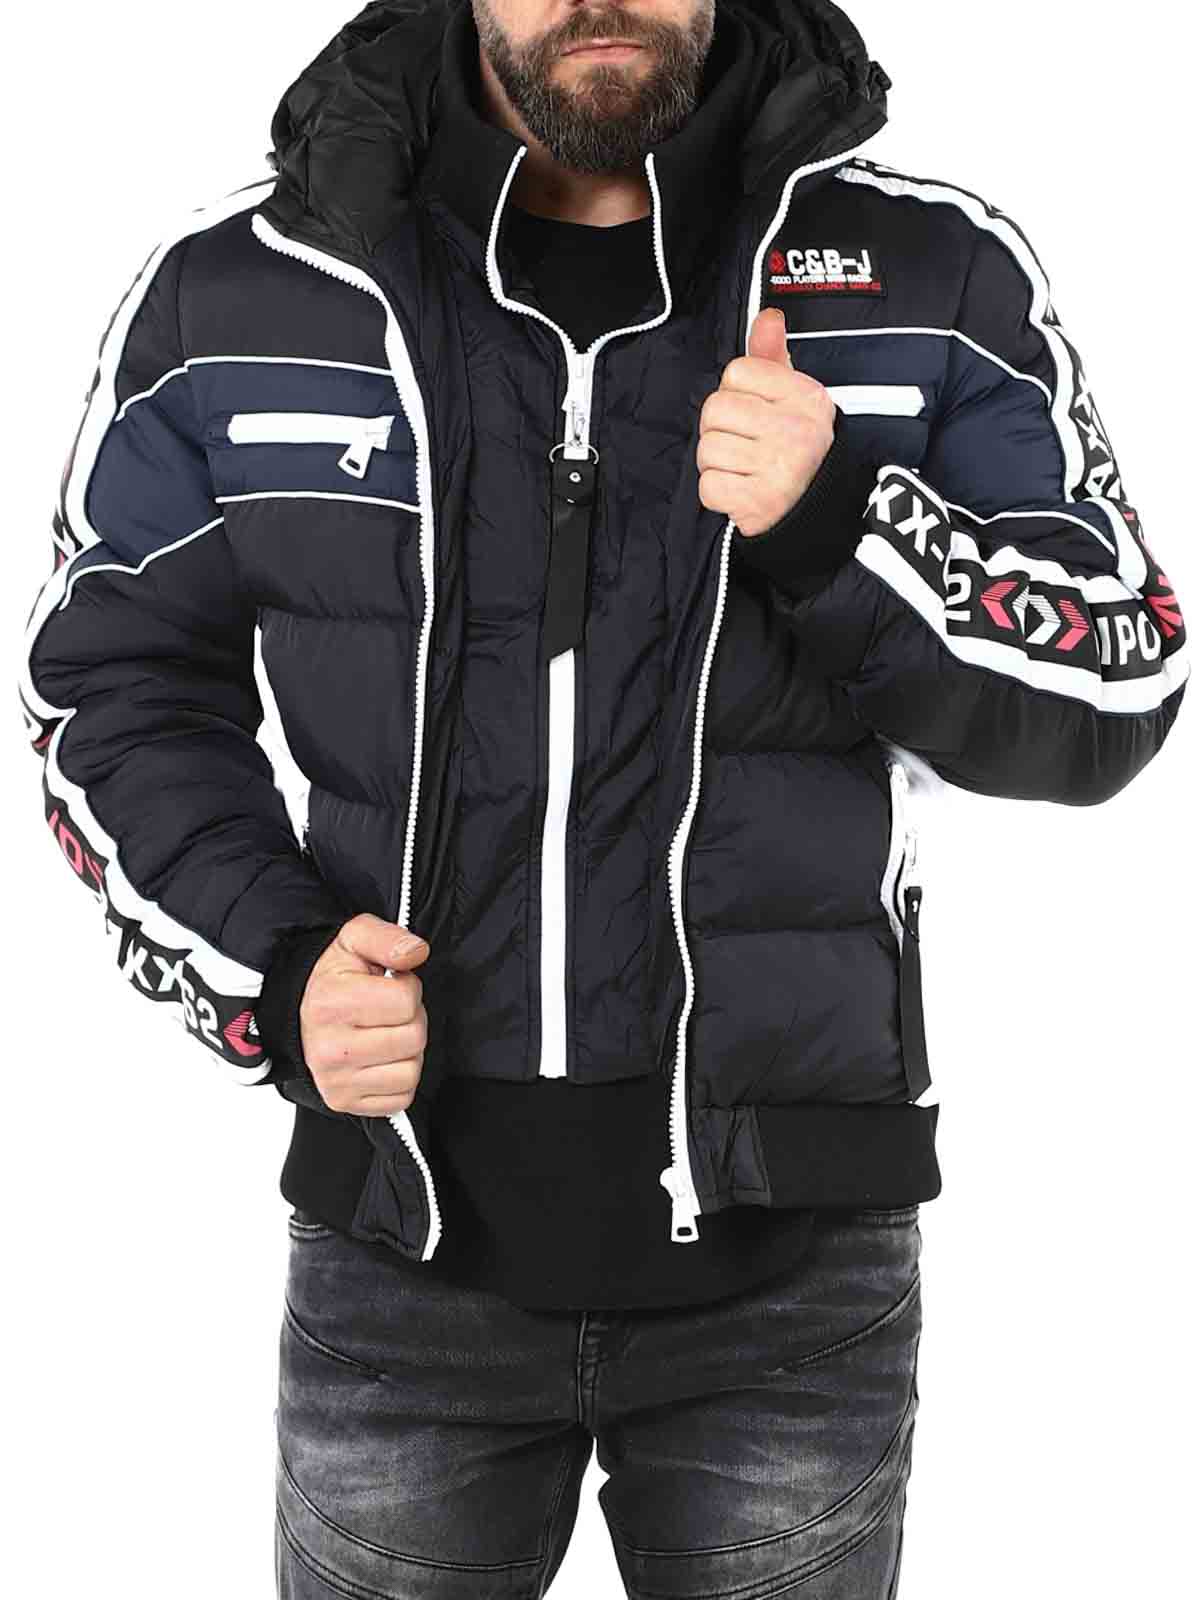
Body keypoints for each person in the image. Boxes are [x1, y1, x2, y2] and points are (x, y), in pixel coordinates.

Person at [19, 0, 1188, 1594]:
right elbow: (110, 689)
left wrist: (842, 520)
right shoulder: (245, 293)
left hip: (791, 1283)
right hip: (400, 1260)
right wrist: (274, 972)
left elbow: (1114, 689)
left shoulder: (931, 274)